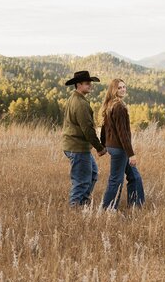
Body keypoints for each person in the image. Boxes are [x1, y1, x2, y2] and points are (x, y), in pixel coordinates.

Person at [62, 70, 107, 207]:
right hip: (77, 147)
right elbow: (87, 129)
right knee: (81, 181)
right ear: (78, 85)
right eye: (87, 83)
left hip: (76, 146)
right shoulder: (80, 104)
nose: (90, 85)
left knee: (92, 174)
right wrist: (99, 147)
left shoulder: (74, 98)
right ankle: (74, 208)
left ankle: (83, 204)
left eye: (90, 83)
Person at [100, 79, 145, 210]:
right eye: (119, 88)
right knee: (116, 180)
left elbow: (104, 128)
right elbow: (123, 133)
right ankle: (108, 209)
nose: (123, 89)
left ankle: (135, 206)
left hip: (114, 147)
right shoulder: (118, 107)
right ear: (114, 90)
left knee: (134, 176)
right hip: (119, 149)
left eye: (124, 87)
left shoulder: (110, 105)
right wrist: (131, 154)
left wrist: (103, 145)